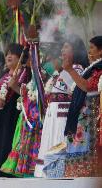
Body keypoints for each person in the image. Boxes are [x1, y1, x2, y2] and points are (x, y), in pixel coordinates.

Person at [34, 35, 87, 177]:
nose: (62, 50)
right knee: (51, 140)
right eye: (62, 47)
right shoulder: (64, 70)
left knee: (59, 141)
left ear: (75, 51)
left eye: (66, 47)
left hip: (63, 115)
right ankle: (48, 172)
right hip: (53, 114)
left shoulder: (77, 68)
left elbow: (73, 91)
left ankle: (58, 172)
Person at [0, 43, 31, 177]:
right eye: (7, 54)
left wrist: (15, 86)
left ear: (20, 57)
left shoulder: (26, 74)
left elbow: (29, 97)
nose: (8, 56)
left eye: (12, 53)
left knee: (7, 147)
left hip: (13, 118)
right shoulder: (3, 75)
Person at [63, 36, 102, 177]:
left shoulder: (99, 68)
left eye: (92, 47)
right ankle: (77, 174)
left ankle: (87, 175)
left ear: (101, 51)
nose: (89, 50)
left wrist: (70, 71)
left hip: (91, 115)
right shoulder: (92, 67)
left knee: (86, 145)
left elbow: (87, 86)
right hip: (84, 113)